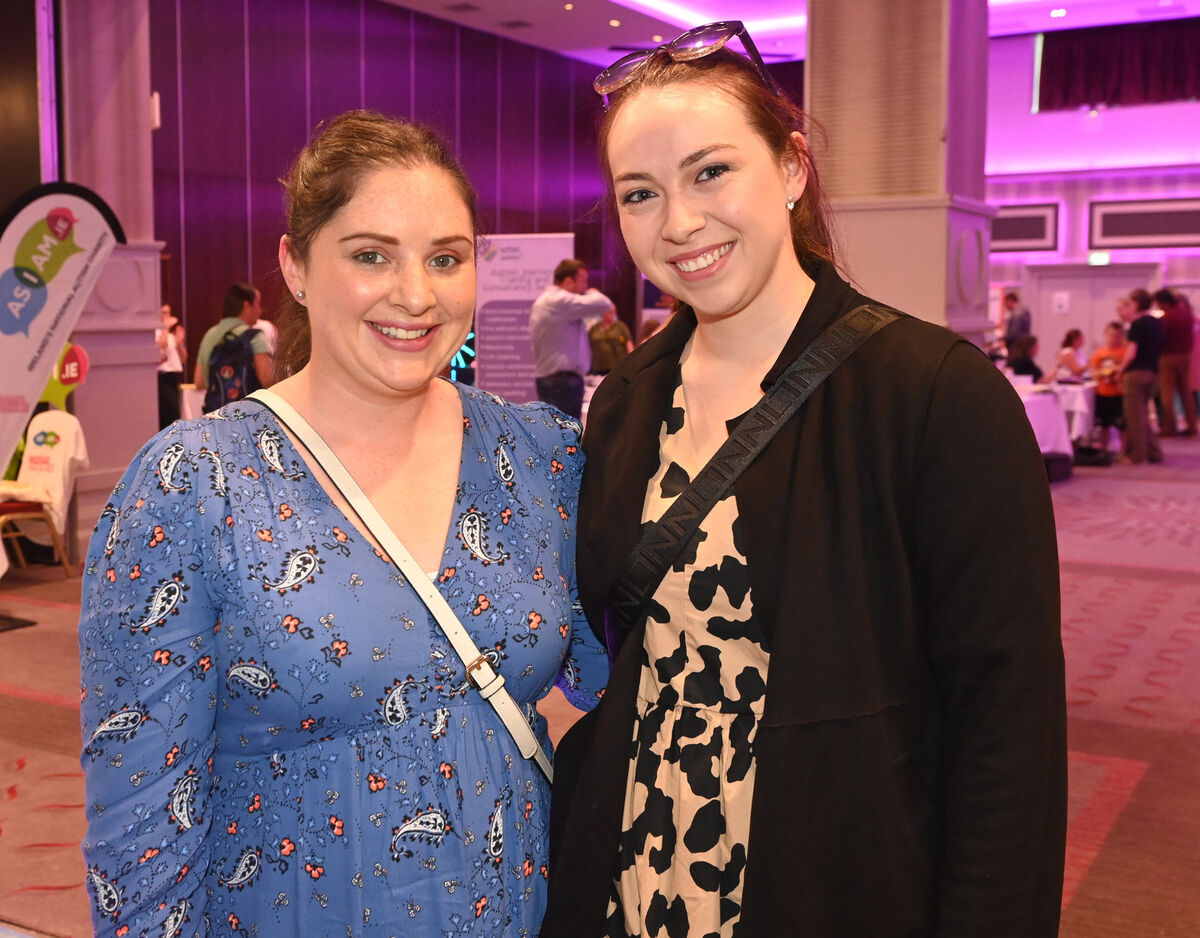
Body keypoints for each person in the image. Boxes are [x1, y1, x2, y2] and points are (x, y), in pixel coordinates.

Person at [543, 22, 1066, 938]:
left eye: (712, 172)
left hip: (831, 875)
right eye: (640, 193)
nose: (679, 223)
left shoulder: (933, 396)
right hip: (635, 865)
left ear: (790, 169)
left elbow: (1007, 735)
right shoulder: (626, 400)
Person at [78, 110, 607, 938]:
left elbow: (640, 677)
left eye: (446, 258)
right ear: (294, 265)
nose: (416, 295)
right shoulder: (196, 482)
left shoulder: (541, 456)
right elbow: (141, 820)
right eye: (371, 256)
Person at [530, 259, 615, 418]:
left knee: (557, 435)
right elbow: (604, 303)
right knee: (565, 437)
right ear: (569, 282)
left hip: (558, 381)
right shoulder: (558, 300)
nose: (585, 287)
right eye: (584, 282)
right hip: (562, 383)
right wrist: (592, 291)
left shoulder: (550, 300)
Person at [193, 282, 274, 408]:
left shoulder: (209, 336)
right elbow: (268, 380)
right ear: (247, 305)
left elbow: (199, 382)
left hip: (216, 417)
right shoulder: (255, 337)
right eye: (258, 304)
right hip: (247, 415)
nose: (260, 311)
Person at [1116, 287, 1165, 463]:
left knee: (1134, 417)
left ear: (1137, 303)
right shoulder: (1157, 322)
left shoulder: (1137, 324)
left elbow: (1132, 352)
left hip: (1135, 373)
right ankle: (1155, 453)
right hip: (1152, 371)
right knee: (1143, 415)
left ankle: (1138, 456)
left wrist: (1119, 370)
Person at [1154, 288, 1197, 437]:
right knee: (1186, 393)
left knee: (1167, 395)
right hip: (1185, 357)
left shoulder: (1166, 319)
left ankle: (1168, 429)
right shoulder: (1188, 315)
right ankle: (1193, 427)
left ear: (1164, 303)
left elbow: (1160, 339)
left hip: (1168, 357)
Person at [1089, 319, 1127, 453]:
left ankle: (1124, 451)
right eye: (1111, 335)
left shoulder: (1125, 352)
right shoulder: (1099, 353)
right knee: (1103, 424)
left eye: (1117, 336)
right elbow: (1093, 372)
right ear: (1105, 335)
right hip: (1103, 393)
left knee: (1122, 425)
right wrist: (1104, 372)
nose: (1113, 339)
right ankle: (1103, 450)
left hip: (1119, 393)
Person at [155, 303, 187, 428]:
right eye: (163, 312)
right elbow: (161, 347)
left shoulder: (170, 335)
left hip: (174, 377)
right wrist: (165, 327)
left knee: (176, 413)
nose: (167, 316)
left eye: (168, 312)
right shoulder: (157, 332)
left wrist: (179, 342)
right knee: (169, 415)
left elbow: (183, 359)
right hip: (163, 378)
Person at [588, 306, 634, 375]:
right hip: (598, 367)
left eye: (614, 311)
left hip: (617, 366)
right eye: (610, 311)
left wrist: (633, 362)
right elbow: (589, 347)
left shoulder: (621, 326)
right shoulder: (594, 328)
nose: (612, 314)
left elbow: (629, 345)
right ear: (602, 312)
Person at [1001, 289, 1032, 356]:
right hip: (1022, 346)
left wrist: (1002, 338)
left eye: (1005, 303)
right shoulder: (1024, 311)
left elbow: (1014, 333)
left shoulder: (1017, 314)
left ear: (1010, 301)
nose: (1005, 306)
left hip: (1016, 347)